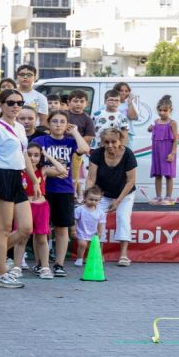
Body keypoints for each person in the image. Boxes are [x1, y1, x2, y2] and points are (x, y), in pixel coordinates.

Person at [0, 88, 39, 289]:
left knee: (26, 228)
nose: (15, 106)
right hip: (1, 176)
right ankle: (1, 274)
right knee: (3, 229)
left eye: (19, 103)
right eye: (11, 103)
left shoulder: (19, 127)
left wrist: (34, 180)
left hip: (17, 177)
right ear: (1, 105)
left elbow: (24, 155)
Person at [31, 111, 90, 277]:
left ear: (67, 125)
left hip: (64, 190)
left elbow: (84, 149)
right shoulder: (40, 141)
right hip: (42, 190)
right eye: (55, 121)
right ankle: (40, 264)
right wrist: (49, 171)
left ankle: (59, 264)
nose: (58, 124)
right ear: (49, 124)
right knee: (40, 230)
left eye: (62, 122)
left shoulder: (70, 141)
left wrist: (75, 132)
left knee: (61, 229)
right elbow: (32, 162)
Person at [87, 127, 138, 266]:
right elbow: (91, 178)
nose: (110, 145)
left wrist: (118, 201)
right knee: (98, 218)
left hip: (125, 192)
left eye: (113, 142)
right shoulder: (97, 154)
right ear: (102, 142)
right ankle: (98, 253)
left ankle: (124, 255)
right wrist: (88, 196)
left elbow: (131, 181)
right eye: (106, 142)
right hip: (103, 192)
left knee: (123, 217)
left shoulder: (128, 154)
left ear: (120, 140)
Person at [23, 142, 57, 280]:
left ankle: (45, 267)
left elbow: (62, 170)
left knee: (42, 238)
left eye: (36, 155)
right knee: (22, 237)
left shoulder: (43, 170)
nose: (32, 158)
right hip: (24, 206)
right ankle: (18, 265)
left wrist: (48, 156)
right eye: (29, 155)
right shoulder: (19, 170)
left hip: (41, 206)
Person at [147, 94, 179, 205]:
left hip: (167, 152)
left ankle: (168, 197)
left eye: (165, 110)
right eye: (160, 110)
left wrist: (172, 153)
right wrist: (150, 128)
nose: (162, 113)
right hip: (157, 152)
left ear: (170, 110)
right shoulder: (156, 121)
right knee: (158, 174)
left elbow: (176, 139)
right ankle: (158, 197)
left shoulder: (172, 123)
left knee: (168, 175)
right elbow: (149, 130)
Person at [73, 186, 106, 266]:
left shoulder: (100, 212)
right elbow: (74, 220)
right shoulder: (80, 209)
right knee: (83, 244)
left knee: (91, 247)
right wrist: (73, 230)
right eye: (91, 199)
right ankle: (79, 259)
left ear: (99, 200)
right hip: (81, 232)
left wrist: (99, 232)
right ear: (85, 198)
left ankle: (88, 259)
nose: (93, 202)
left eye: (96, 200)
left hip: (93, 233)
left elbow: (101, 223)